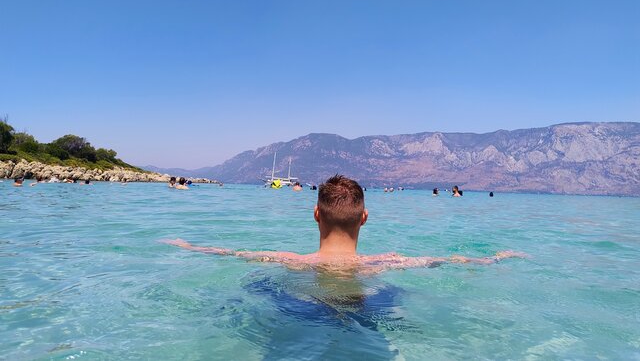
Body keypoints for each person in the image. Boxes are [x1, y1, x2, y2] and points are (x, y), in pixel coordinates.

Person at [162, 175, 525, 272]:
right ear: (364, 218)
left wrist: (187, 246)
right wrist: (496, 258)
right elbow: (448, 261)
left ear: (316, 214)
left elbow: (231, 253)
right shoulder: (387, 262)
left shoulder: (290, 261)